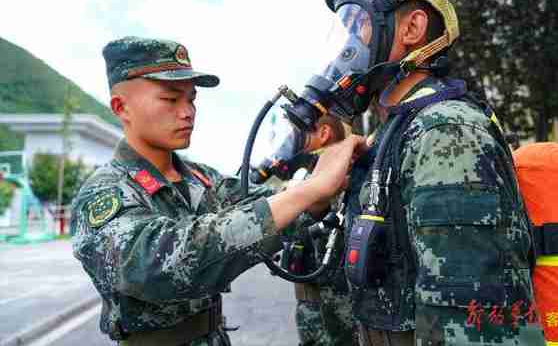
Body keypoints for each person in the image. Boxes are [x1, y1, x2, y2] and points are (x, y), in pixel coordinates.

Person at [306, 0, 546, 344]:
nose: (349, 46)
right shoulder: (393, 132)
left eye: (360, 25)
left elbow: (472, 327)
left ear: (412, 28)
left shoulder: (445, 131)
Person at [71, 36, 365, 346]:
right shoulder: (105, 193)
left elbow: (273, 209)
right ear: (121, 107)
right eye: (171, 100)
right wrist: (310, 190)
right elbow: (159, 267)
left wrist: (322, 192)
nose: (187, 112)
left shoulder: (202, 179)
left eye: (191, 99)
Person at [278, 115, 359, 346]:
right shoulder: (309, 178)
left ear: (324, 133)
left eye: (297, 133)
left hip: (343, 323)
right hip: (312, 318)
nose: (290, 142)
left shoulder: (349, 179)